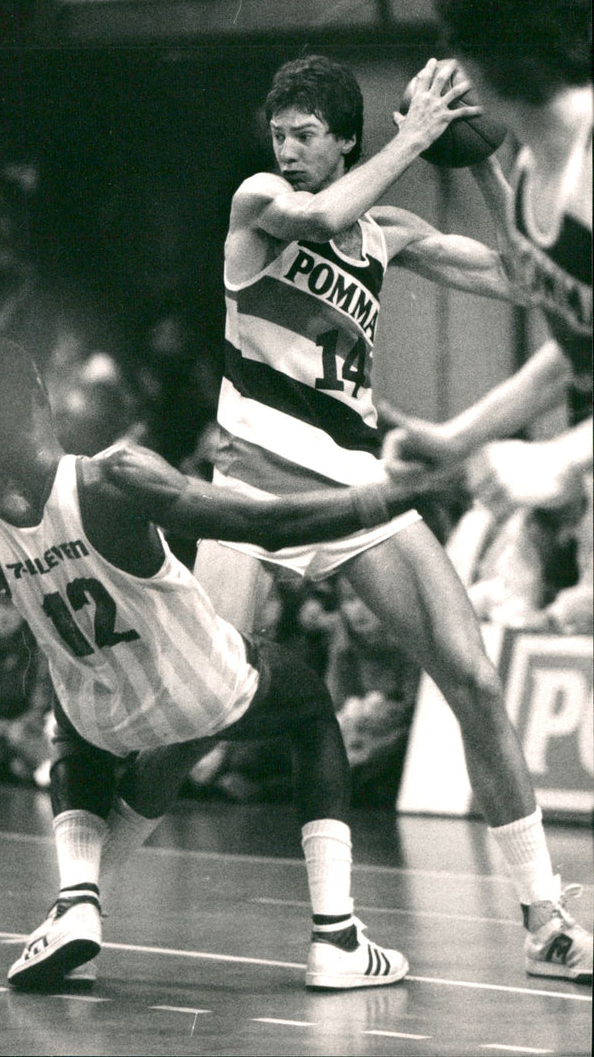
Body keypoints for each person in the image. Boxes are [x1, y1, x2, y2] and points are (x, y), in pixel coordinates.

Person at [0, 335, 459, 993]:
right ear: (39, 389)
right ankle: (337, 936)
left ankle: (77, 896)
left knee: (68, 706)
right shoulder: (114, 476)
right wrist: (386, 496)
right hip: (199, 683)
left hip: (97, 715)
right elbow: (271, 525)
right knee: (311, 707)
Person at [190, 52, 591, 983]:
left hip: (351, 484)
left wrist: (475, 157)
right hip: (249, 488)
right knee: (198, 713)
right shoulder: (260, 201)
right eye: (279, 134)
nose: (286, 150)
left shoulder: (389, 232)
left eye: (304, 136)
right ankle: (79, 887)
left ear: (342, 139)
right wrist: (417, 133)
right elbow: (322, 216)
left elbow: (526, 281)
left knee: (476, 679)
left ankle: (546, 920)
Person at [383, 0, 591, 533]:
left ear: (473, 58)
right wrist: (459, 437)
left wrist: (562, 455)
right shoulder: (528, 176)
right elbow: (577, 351)